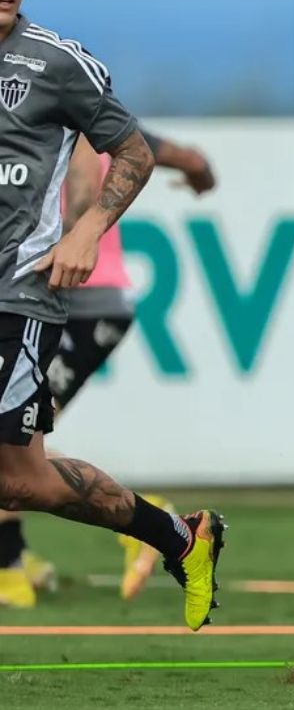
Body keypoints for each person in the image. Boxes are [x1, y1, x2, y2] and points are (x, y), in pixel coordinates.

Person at [0, 0, 223, 631]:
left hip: (19, 295)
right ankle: (180, 538)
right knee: (22, 481)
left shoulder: (57, 64)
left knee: (11, 479)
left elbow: (134, 151)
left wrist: (89, 228)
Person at [0, 129, 215, 608]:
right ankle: (156, 526)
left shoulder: (54, 95)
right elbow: (155, 144)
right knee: (17, 445)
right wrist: (197, 164)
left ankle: (10, 563)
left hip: (77, 299)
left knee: (9, 436)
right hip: (56, 299)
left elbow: (111, 162)